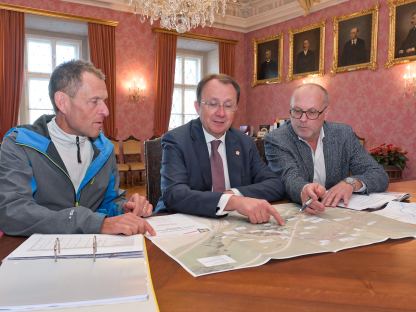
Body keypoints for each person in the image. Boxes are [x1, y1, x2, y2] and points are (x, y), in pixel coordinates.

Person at [0, 60, 155, 236]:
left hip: (96, 251)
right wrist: (95, 223)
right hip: (38, 254)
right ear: (63, 102)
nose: (106, 111)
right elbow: (12, 212)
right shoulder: (19, 144)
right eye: (94, 101)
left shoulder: (105, 149)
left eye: (104, 101)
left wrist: (125, 209)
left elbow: (109, 201)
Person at [157, 74, 286, 225]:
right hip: (184, 223)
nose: (221, 113)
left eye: (228, 105)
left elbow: (275, 184)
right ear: (197, 107)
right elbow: (174, 194)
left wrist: (234, 194)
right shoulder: (176, 140)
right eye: (213, 104)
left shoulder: (244, 142)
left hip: (233, 225)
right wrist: (232, 202)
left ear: (236, 109)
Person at [264, 83, 388, 214]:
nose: (303, 119)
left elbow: (378, 174)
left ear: (326, 113)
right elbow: (289, 178)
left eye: (312, 112)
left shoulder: (343, 135)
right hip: (296, 214)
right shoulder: (277, 139)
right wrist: (304, 189)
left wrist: (351, 183)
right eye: (297, 111)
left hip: (338, 214)